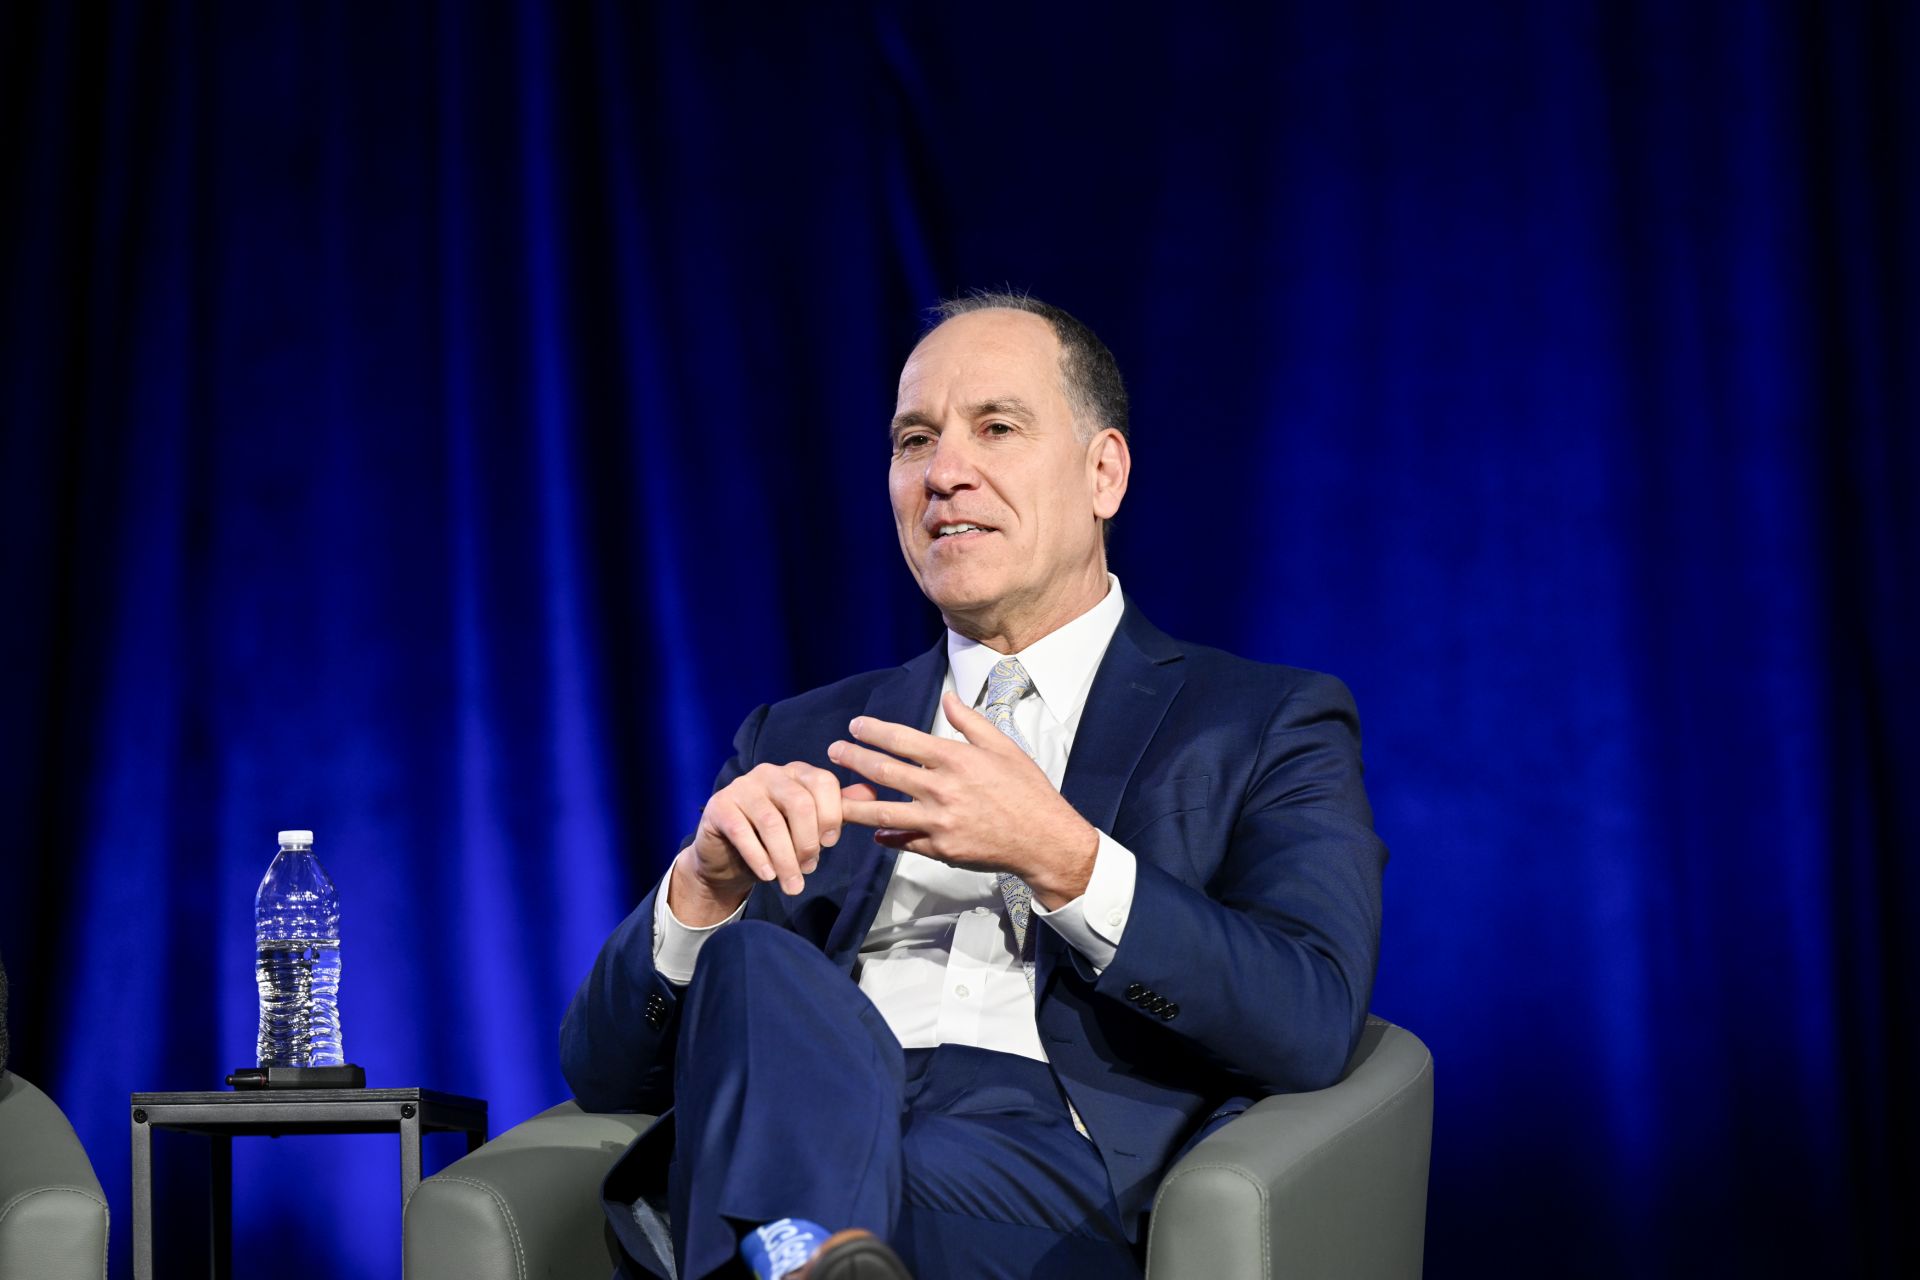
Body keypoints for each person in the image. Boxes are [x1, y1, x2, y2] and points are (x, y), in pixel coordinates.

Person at [561, 294, 1386, 1280]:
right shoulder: (800, 737)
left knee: (778, 1214)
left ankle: (788, 1249)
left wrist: (1064, 857)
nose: (944, 472)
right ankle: (811, 1250)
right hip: (819, 1120)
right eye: (915, 440)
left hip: (1052, 1166)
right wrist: (702, 890)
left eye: (997, 427)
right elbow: (603, 1072)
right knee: (750, 964)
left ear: (1104, 472)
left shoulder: (1262, 720)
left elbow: (1310, 1018)